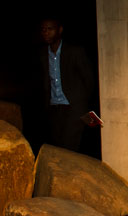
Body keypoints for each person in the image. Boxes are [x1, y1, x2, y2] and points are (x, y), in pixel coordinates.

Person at [39, 16, 94, 152]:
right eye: (43, 30)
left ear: (60, 30)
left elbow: (89, 79)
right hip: (54, 109)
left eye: (50, 29)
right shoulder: (42, 54)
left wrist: (83, 106)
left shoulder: (75, 51)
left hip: (74, 108)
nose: (46, 33)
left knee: (70, 148)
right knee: (57, 148)